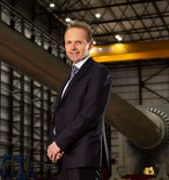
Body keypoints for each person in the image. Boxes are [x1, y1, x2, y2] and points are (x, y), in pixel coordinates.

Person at [47, 20, 112, 180]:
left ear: (90, 45)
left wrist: (60, 143)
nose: (73, 47)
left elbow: (89, 115)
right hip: (65, 156)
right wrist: (54, 143)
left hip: (83, 158)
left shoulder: (98, 72)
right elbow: (60, 116)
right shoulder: (68, 80)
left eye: (78, 42)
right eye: (69, 42)